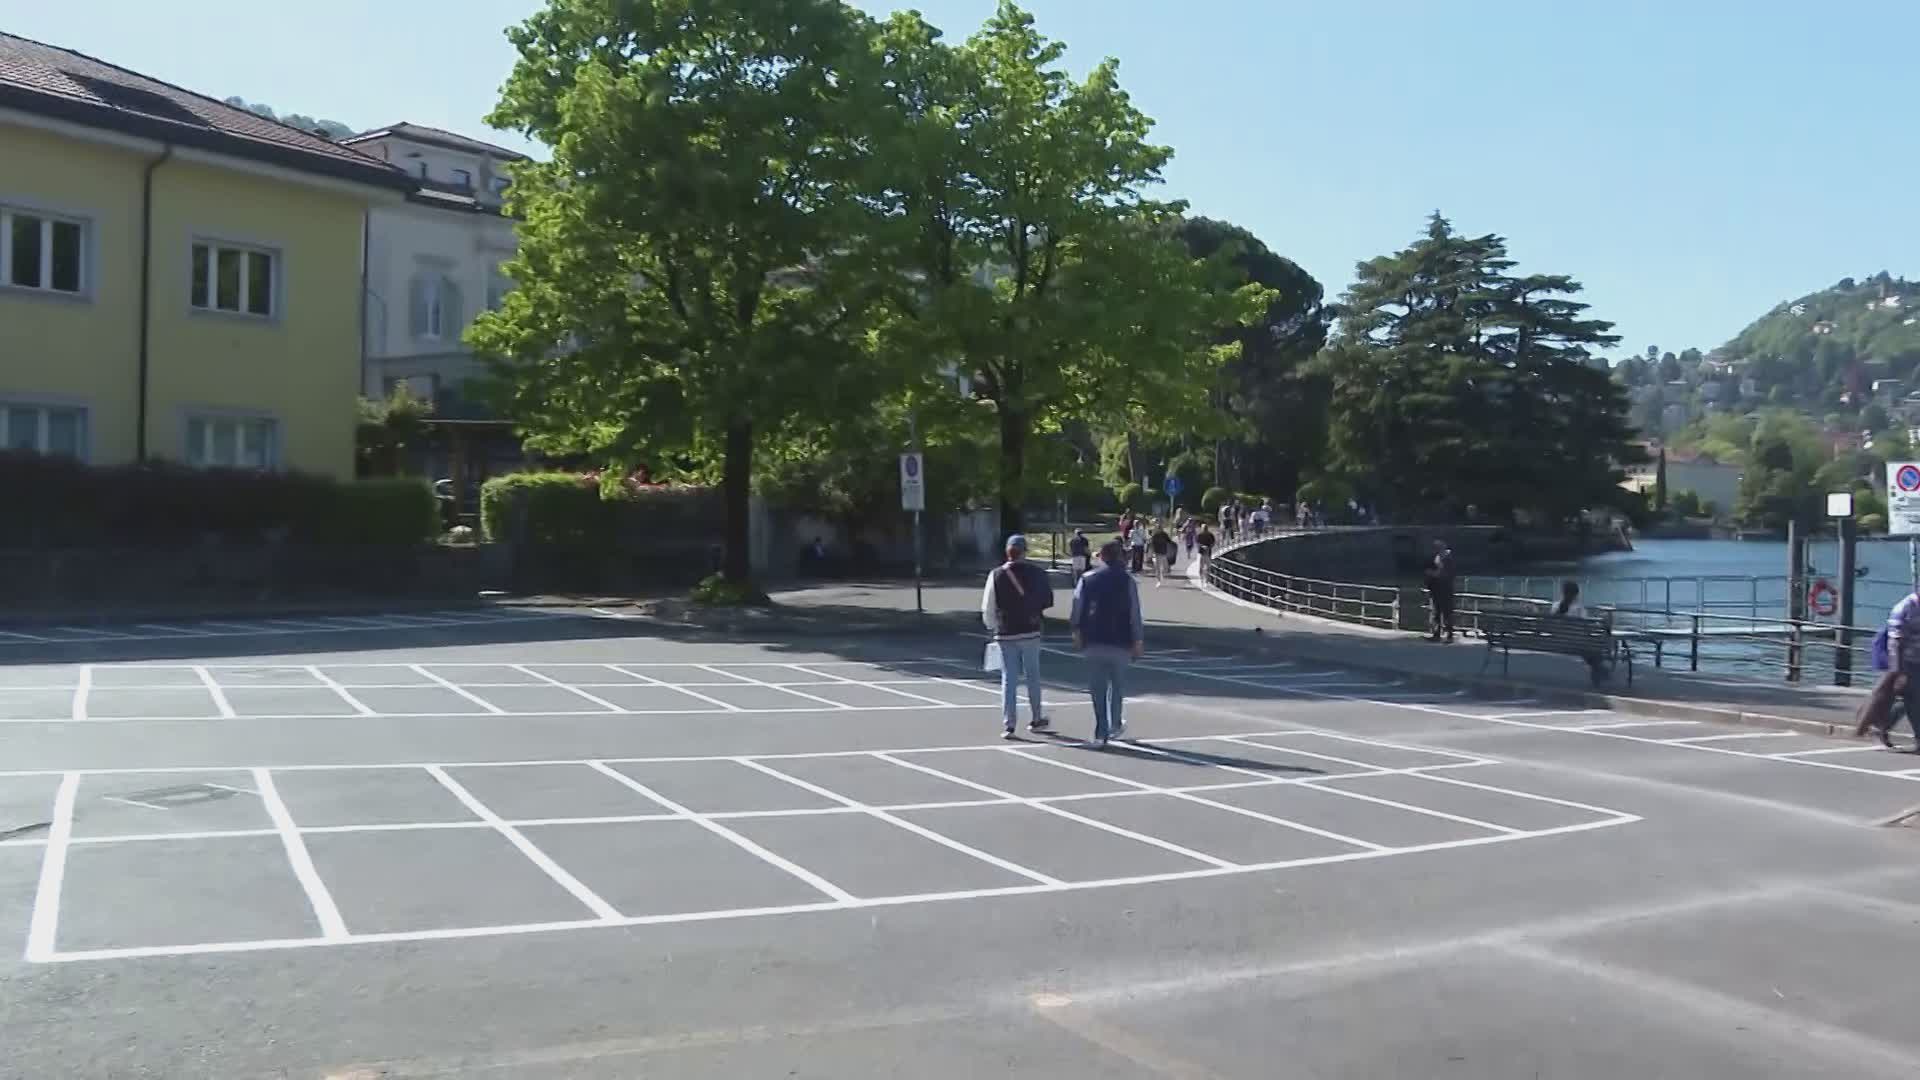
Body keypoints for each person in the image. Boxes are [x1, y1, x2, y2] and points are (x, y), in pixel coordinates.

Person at [1071, 541, 1144, 746]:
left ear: (1101, 557)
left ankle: (1100, 731)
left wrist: (1076, 630)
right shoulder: (1127, 581)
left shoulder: (1087, 579)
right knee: (1118, 687)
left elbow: (1078, 607)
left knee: (1097, 689)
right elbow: (1134, 613)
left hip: (1093, 638)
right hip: (1121, 639)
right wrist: (1138, 639)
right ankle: (1115, 724)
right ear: (1120, 557)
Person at [981, 534, 1055, 738]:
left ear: (1007, 552)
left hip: (1006, 632)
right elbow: (1047, 600)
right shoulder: (1037, 573)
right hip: (1030, 630)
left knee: (1009, 678)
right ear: (1025, 551)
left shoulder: (996, 575)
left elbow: (988, 605)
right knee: (1033, 676)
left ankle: (1009, 723)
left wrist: (993, 626)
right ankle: (1037, 717)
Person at [1864, 590, 1920, 749]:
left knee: (1911, 700)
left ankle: (1880, 727)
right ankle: (1880, 727)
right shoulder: (1904, 607)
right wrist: (1897, 670)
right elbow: (1894, 642)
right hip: (1904, 661)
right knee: (1912, 699)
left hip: (1917, 659)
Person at [1424, 538, 1457, 642]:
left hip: (1445, 589)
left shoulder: (1448, 558)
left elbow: (1445, 574)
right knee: (1437, 612)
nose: (1435, 549)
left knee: (1447, 612)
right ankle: (1437, 634)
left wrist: (1432, 574)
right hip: (1437, 589)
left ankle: (1449, 635)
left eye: (1436, 547)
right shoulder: (1437, 557)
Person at [1148, 521, 1175, 587]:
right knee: (1157, 567)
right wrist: (1150, 553)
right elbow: (1151, 544)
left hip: (1163, 552)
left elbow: (1169, 541)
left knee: (1165, 567)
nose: (1157, 529)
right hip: (1157, 552)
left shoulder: (1164, 534)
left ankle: (1162, 575)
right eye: (1157, 528)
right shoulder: (1154, 535)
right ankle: (1159, 581)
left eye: (1158, 528)